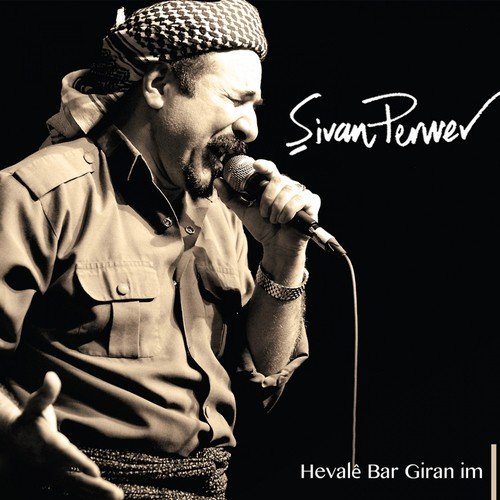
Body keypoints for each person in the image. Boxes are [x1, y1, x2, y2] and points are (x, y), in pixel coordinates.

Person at [0, 1, 320, 498]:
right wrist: (10, 429)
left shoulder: (225, 216)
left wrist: (284, 255)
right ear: (157, 85)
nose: (251, 128)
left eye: (254, 107)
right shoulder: (41, 194)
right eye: (235, 100)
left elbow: (262, 380)